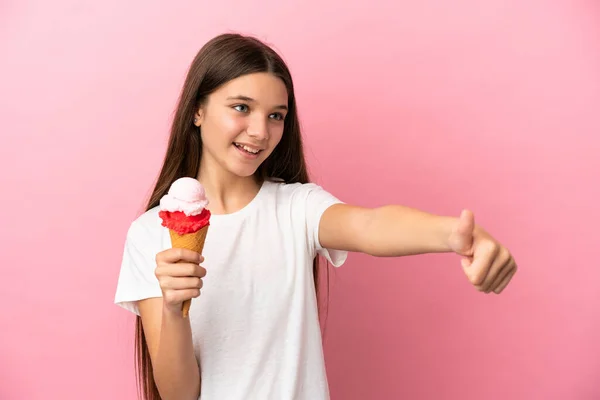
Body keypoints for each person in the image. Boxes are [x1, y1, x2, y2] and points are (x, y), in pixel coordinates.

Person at [113, 32, 517, 400]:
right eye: (242, 108)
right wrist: (173, 309)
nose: (260, 131)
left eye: (276, 115)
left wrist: (454, 235)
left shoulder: (296, 208)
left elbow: (369, 225)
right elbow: (178, 394)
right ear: (197, 110)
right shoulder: (150, 234)